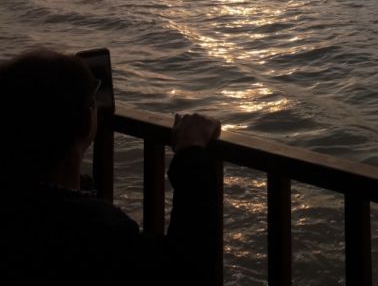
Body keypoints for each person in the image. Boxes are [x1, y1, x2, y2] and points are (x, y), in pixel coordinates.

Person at [0, 48, 222, 285]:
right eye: (93, 101)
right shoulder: (96, 233)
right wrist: (191, 151)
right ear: (86, 121)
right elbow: (188, 272)